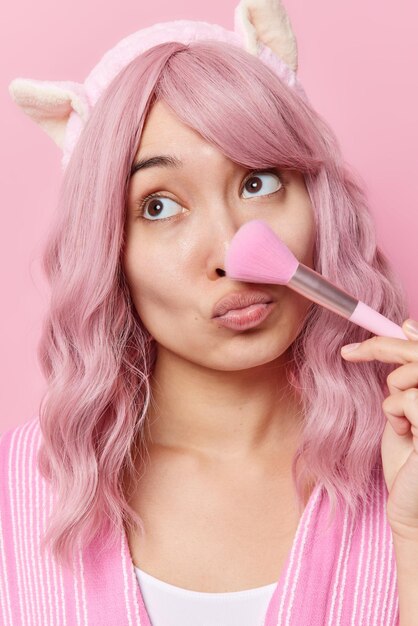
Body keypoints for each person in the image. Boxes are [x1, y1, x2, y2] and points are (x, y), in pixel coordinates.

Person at [1, 1, 411, 624]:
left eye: (259, 182)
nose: (235, 253)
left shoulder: (400, 462)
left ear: (318, 206)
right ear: (108, 251)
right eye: (159, 207)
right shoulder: (15, 496)